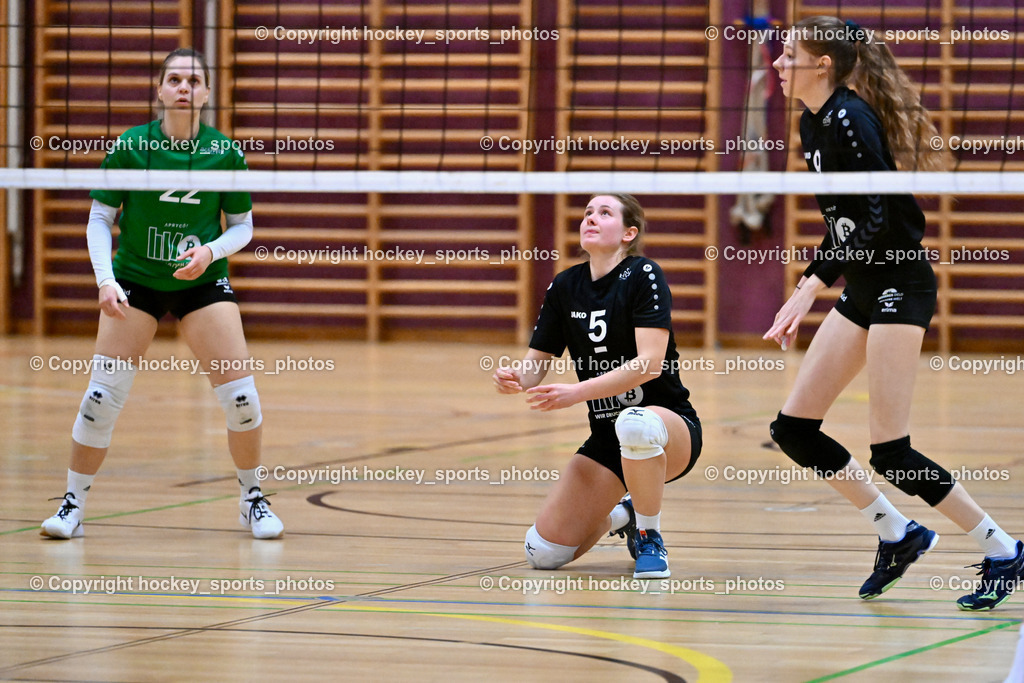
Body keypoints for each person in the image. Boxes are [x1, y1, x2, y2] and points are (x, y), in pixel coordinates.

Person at [766, 16, 1020, 609]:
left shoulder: (851, 120)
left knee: (892, 452)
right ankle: (898, 533)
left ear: (822, 63)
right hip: (864, 285)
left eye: (788, 55)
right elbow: (847, 224)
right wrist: (813, 282)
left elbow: (879, 221)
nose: (777, 65)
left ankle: (1005, 549)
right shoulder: (813, 120)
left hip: (899, 286)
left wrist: (811, 287)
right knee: (794, 430)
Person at [40, 48, 283, 540]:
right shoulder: (131, 146)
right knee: (100, 399)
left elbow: (242, 227)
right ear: (160, 89)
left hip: (200, 281)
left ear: (207, 93)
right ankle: (72, 504)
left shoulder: (225, 153)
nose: (183, 87)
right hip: (134, 280)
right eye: (174, 79)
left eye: (193, 80)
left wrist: (210, 252)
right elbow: (100, 219)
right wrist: (104, 280)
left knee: (242, 399)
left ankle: (252, 498)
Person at [492, 194, 702, 579]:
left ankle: (650, 536)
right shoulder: (565, 286)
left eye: (604, 213)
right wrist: (514, 378)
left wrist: (577, 393)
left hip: (668, 429)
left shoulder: (643, 275)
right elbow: (534, 369)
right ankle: (624, 513)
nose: (590, 217)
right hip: (608, 440)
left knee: (634, 423)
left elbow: (649, 365)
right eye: (588, 212)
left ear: (628, 233)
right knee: (543, 553)